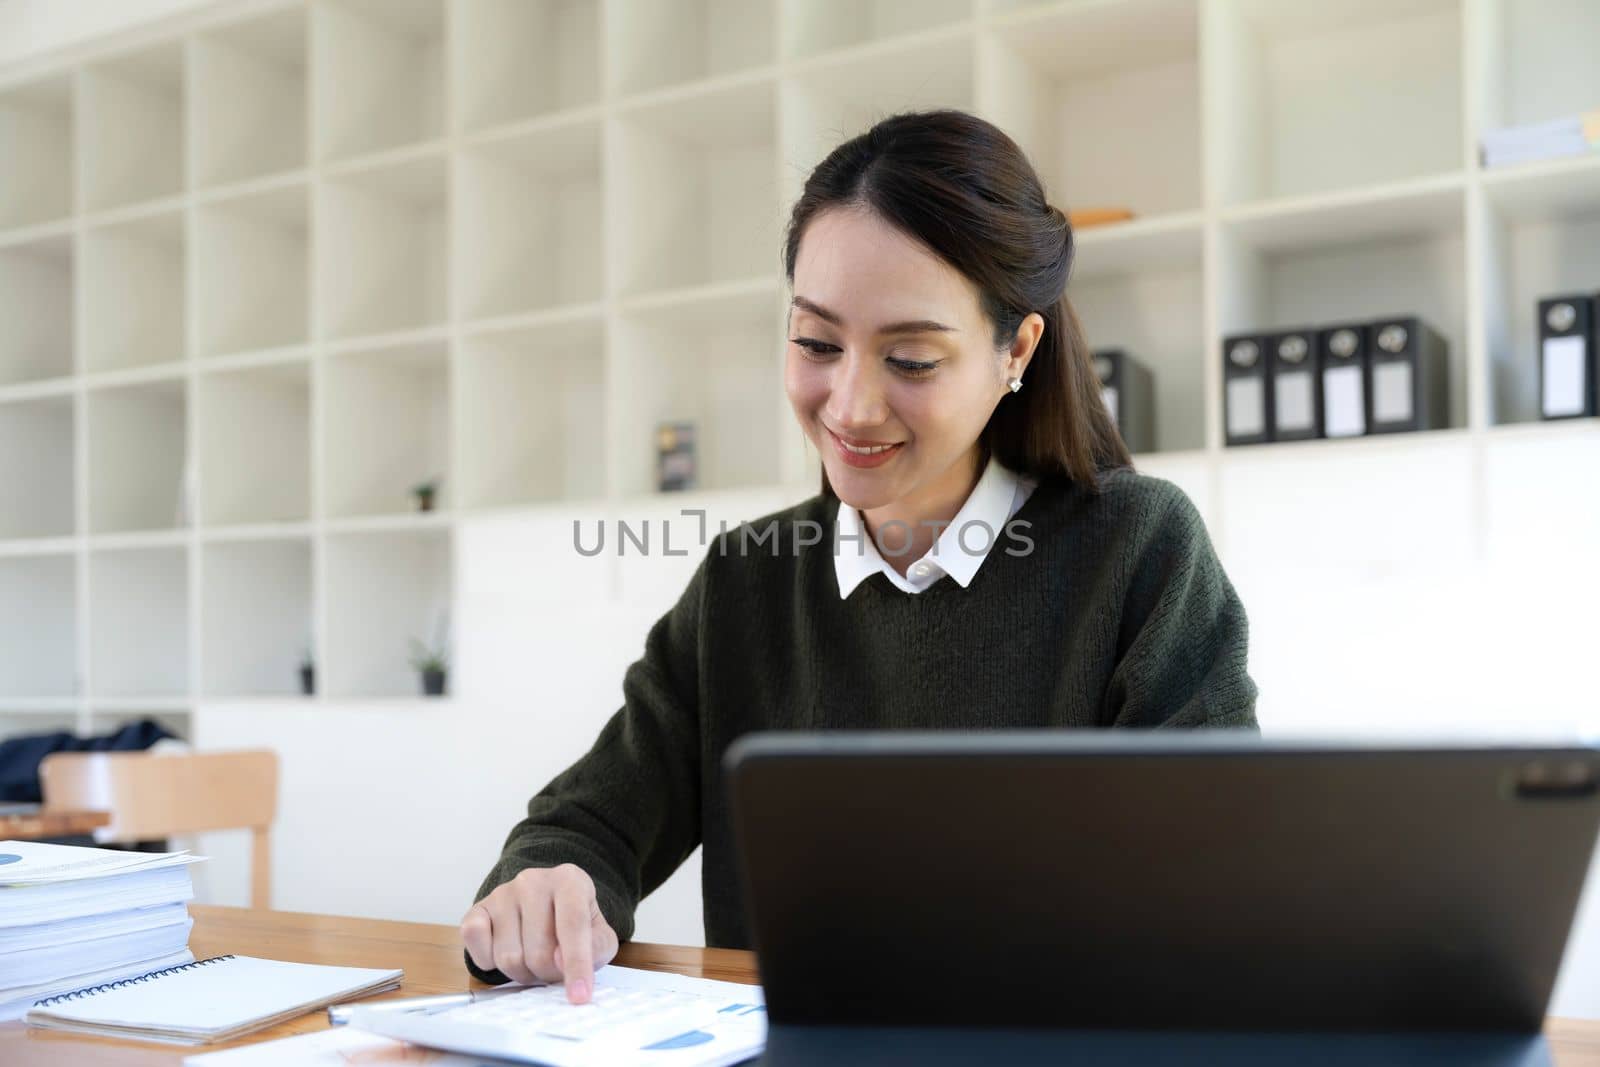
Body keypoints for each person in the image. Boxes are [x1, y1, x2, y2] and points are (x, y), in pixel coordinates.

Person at [460, 108, 1259, 1005]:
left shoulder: (1137, 552)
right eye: (815, 343)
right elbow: (594, 820)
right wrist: (550, 882)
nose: (850, 405)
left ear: (1016, 351)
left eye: (911, 359)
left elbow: (1217, 891)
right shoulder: (746, 579)